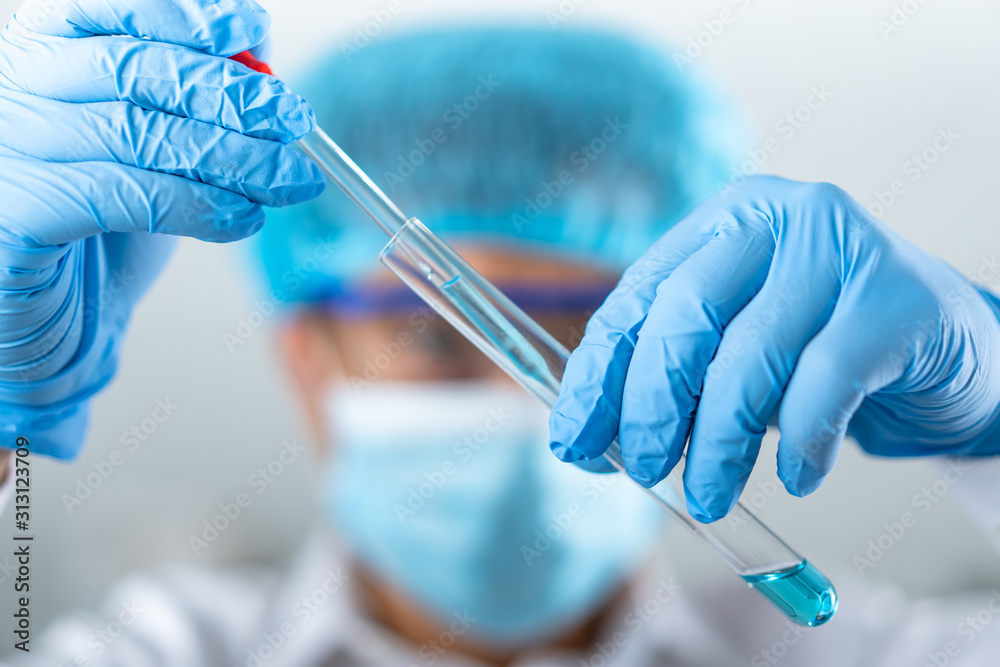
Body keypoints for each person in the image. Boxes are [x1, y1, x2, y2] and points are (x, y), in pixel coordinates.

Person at [1, 0, 1000, 665]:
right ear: (310, 368)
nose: (526, 397)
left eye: (597, 334)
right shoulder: (157, 647)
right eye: (434, 339)